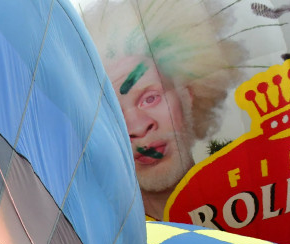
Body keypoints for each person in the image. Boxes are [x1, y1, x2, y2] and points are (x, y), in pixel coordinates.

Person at [79, 0, 244, 219]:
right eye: (111, 114)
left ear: (188, 93)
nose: (137, 127)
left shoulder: (255, 203)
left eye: (150, 98)